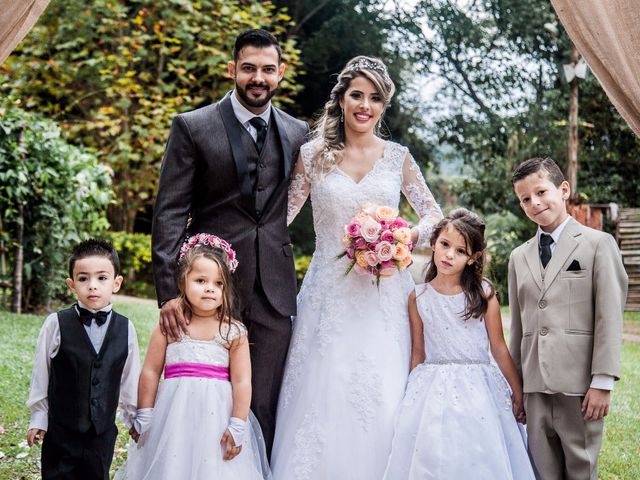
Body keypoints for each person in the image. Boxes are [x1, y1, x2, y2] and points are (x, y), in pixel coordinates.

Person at [271, 55, 443, 479]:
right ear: (342, 99)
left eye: (375, 98)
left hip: (386, 295)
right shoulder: (313, 156)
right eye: (357, 95)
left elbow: (434, 216)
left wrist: (399, 239)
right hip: (327, 294)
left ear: (384, 106)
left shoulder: (398, 157)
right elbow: (279, 221)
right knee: (322, 388)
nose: (365, 105)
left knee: (382, 386)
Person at [151, 29, 308, 454]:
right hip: (210, 287)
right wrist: (169, 292)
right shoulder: (193, 126)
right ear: (232, 70)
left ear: (281, 73)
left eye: (268, 69)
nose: (258, 77)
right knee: (210, 394)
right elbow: (168, 211)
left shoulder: (298, 133)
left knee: (267, 397)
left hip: (275, 289)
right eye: (249, 68)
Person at [382, 208, 535, 479]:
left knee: (478, 452)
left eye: (460, 251)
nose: (449, 255)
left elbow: (499, 348)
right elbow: (418, 351)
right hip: (431, 387)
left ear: (473, 259)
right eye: (444, 245)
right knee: (433, 452)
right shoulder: (418, 297)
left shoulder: (483, 294)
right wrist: (409, 392)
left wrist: (518, 391)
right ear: (433, 244)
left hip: (479, 387)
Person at [509, 157, 628, 479]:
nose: (534, 203)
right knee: (541, 469)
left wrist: (602, 381)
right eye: (525, 199)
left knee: (581, 466)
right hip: (534, 387)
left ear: (563, 190)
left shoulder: (598, 244)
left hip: (579, 386)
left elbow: (609, 317)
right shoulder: (518, 257)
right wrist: (517, 388)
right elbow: (518, 328)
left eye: (541, 192)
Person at [117, 235, 270, 479]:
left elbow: (242, 381)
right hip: (173, 417)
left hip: (216, 418)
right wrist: (145, 412)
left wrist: (238, 423)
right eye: (200, 280)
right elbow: (151, 371)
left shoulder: (233, 332)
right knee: (173, 464)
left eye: (218, 283)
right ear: (183, 282)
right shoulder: (170, 326)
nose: (210, 288)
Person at [26, 239, 140, 480]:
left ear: (116, 283)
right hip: (61, 433)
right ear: (71, 284)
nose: (92, 286)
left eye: (102, 278)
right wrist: (39, 417)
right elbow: (41, 373)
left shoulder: (126, 328)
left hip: (101, 435)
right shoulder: (56, 323)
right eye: (83, 278)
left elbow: (129, 378)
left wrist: (132, 418)